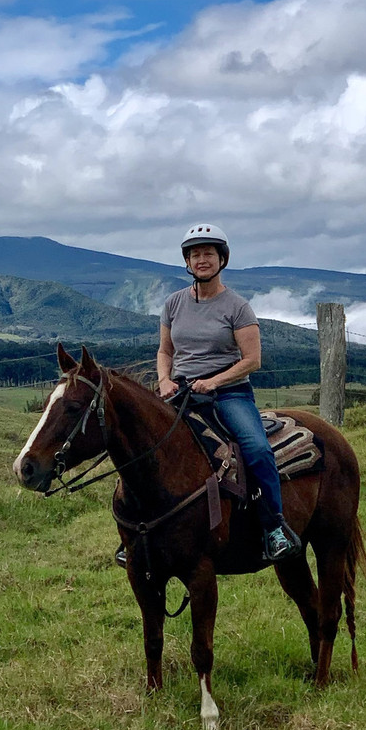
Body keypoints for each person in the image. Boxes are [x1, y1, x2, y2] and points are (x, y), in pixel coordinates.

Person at [156, 223, 299, 561]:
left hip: (230, 394)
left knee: (257, 450)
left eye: (208, 253)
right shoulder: (173, 304)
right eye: (194, 254)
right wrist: (164, 379)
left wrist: (215, 381)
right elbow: (165, 351)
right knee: (147, 446)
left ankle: (274, 528)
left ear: (222, 259)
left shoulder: (237, 306)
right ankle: (139, 532)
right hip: (182, 391)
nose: (201, 259)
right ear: (187, 262)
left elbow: (252, 360)